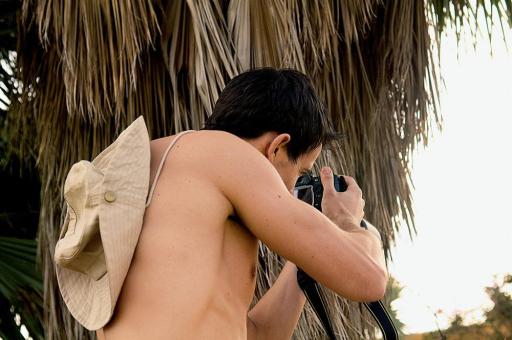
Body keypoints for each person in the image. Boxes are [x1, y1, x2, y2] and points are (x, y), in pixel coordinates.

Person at [97, 68, 387, 340]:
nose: (291, 189)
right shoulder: (229, 153)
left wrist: (308, 256)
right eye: (300, 172)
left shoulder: (164, 168)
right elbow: (369, 279)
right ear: (277, 147)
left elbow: (256, 334)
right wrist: (346, 221)